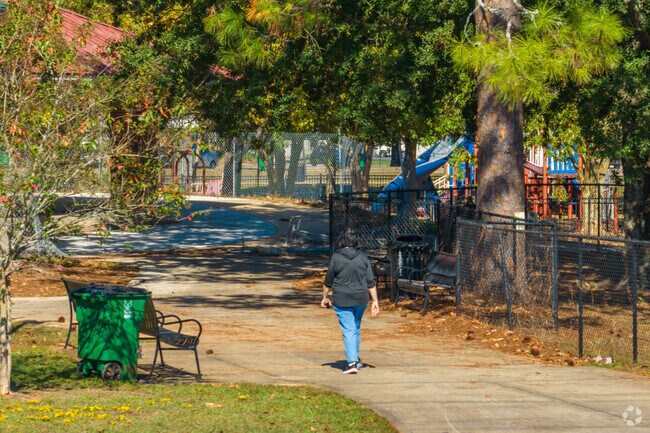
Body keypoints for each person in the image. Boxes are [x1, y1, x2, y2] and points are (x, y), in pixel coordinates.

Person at [321, 227, 379, 374]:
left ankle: (352, 362)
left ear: (342, 240)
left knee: (348, 329)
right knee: (355, 327)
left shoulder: (336, 257)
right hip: (361, 298)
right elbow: (370, 281)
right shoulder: (363, 257)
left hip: (342, 298)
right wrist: (375, 301)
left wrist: (324, 297)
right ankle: (356, 358)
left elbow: (328, 281)